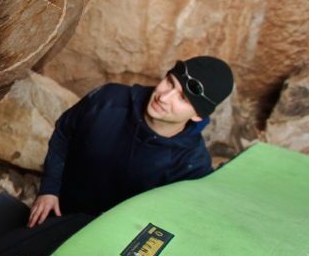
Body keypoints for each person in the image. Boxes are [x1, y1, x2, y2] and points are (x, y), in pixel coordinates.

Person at [28, 56, 234, 227]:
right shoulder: (108, 100)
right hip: (60, 210)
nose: (164, 97)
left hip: (114, 239)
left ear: (198, 115)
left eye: (182, 98)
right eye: (169, 82)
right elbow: (64, 133)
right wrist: (49, 189)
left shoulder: (191, 165)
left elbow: (170, 223)